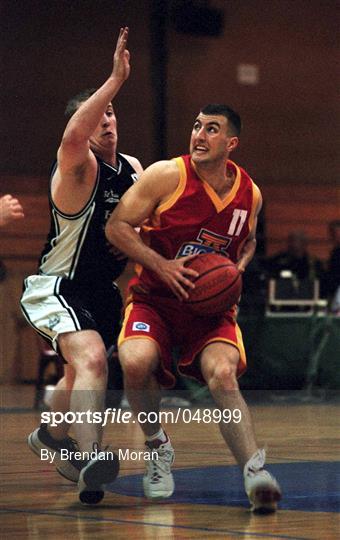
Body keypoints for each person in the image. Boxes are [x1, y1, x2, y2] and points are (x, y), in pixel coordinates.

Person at [105, 104, 281, 513]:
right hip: (156, 299)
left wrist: (237, 269)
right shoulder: (168, 175)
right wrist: (161, 265)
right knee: (134, 361)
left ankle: (255, 474)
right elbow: (116, 225)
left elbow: (250, 239)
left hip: (208, 310)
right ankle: (157, 446)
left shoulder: (249, 193)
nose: (199, 135)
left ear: (231, 143)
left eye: (212, 129)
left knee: (221, 374)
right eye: (197, 125)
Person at [21, 28, 143, 504]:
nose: (106, 121)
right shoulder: (77, 165)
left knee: (78, 375)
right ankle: (90, 457)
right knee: (91, 360)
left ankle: (50, 436)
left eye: (110, 111)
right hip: (56, 286)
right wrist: (114, 80)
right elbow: (73, 135)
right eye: (96, 114)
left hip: (100, 291)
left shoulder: (132, 167)